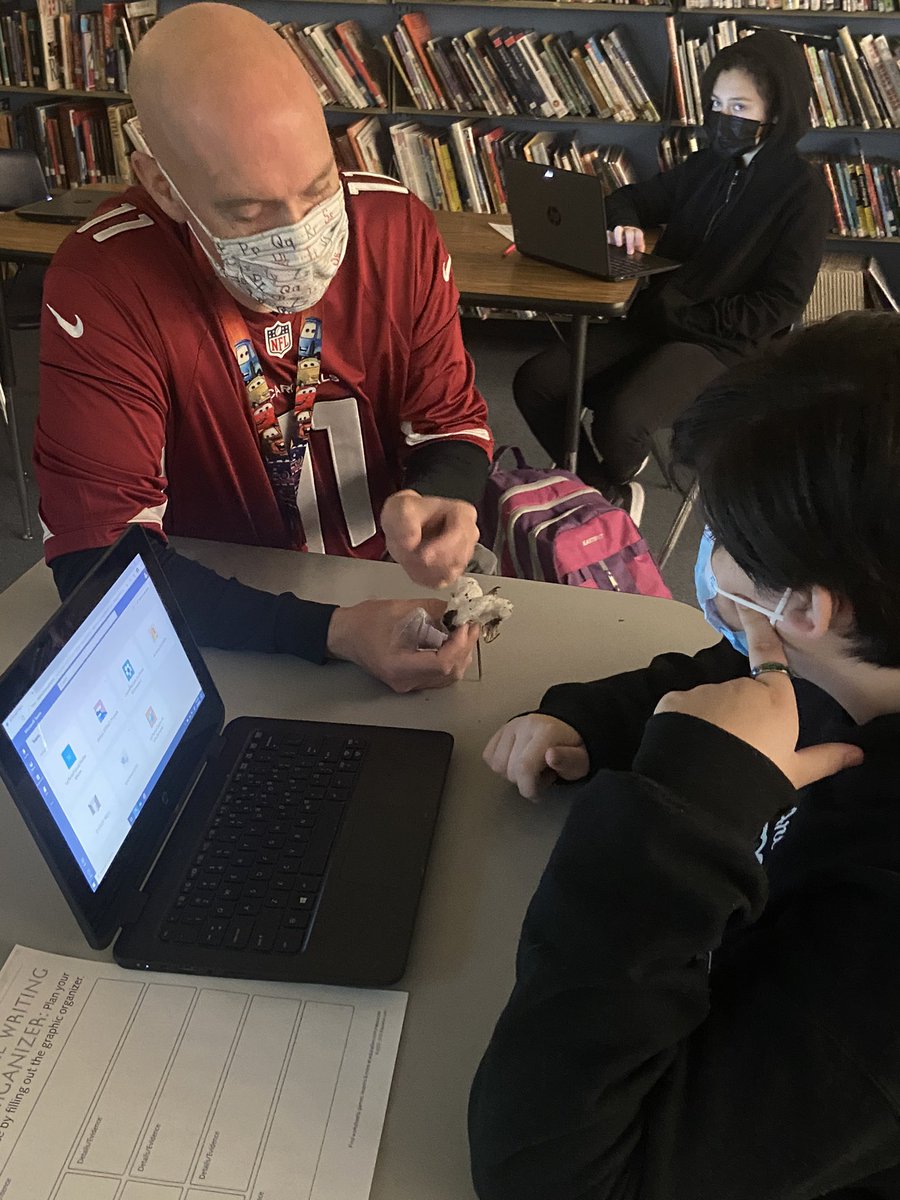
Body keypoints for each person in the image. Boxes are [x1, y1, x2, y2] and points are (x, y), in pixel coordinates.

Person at [471, 311, 900, 1199]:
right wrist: (592, 721)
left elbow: (555, 1173)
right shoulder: (847, 662)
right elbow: (730, 667)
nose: (710, 559)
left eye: (727, 540)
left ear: (811, 608)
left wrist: (675, 811)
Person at [33, 3, 493, 694]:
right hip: (215, 616)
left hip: (392, 587)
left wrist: (438, 498)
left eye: (317, 188)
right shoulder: (105, 280)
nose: (302, 234)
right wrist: (329, 630)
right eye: (247, 214)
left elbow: (451, 423)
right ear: (163, 185)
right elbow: (101, 561)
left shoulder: (396, 226)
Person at [513, 29, 831, 521]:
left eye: (740, 108)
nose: (724, 119)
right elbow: (633, 198)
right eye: (716, 104)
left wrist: (685, 313)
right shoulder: (707, 164)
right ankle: (602, 490)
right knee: (536, 381)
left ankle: (611, 482)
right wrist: (624, 222)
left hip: (724, 343)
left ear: (778, 111)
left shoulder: (803, 193)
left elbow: (778, 306)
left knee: (620, 422)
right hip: (658, 317)